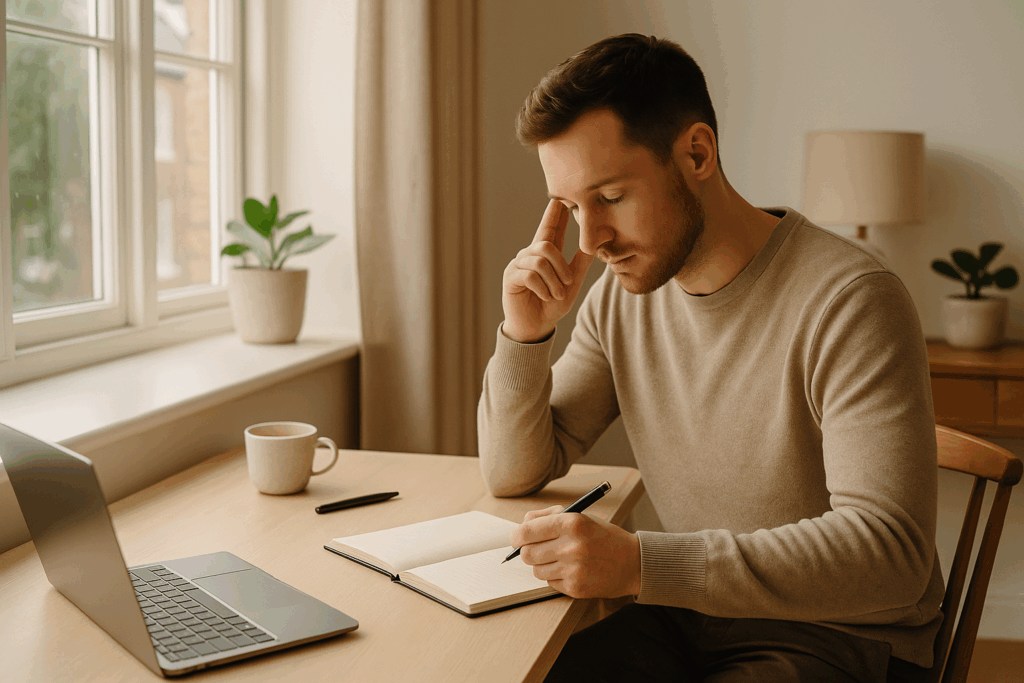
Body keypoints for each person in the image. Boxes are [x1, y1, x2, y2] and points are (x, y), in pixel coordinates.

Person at [477, 33, 943, 682]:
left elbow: (891, 554)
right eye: (571, 207)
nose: (592, 239)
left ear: (697, 152)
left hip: (843, 635)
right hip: (691, 613)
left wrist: (641, 564)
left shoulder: (852, 301)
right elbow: (513, 471)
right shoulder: (623, 298)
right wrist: (523, 335)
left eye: (609, 197)